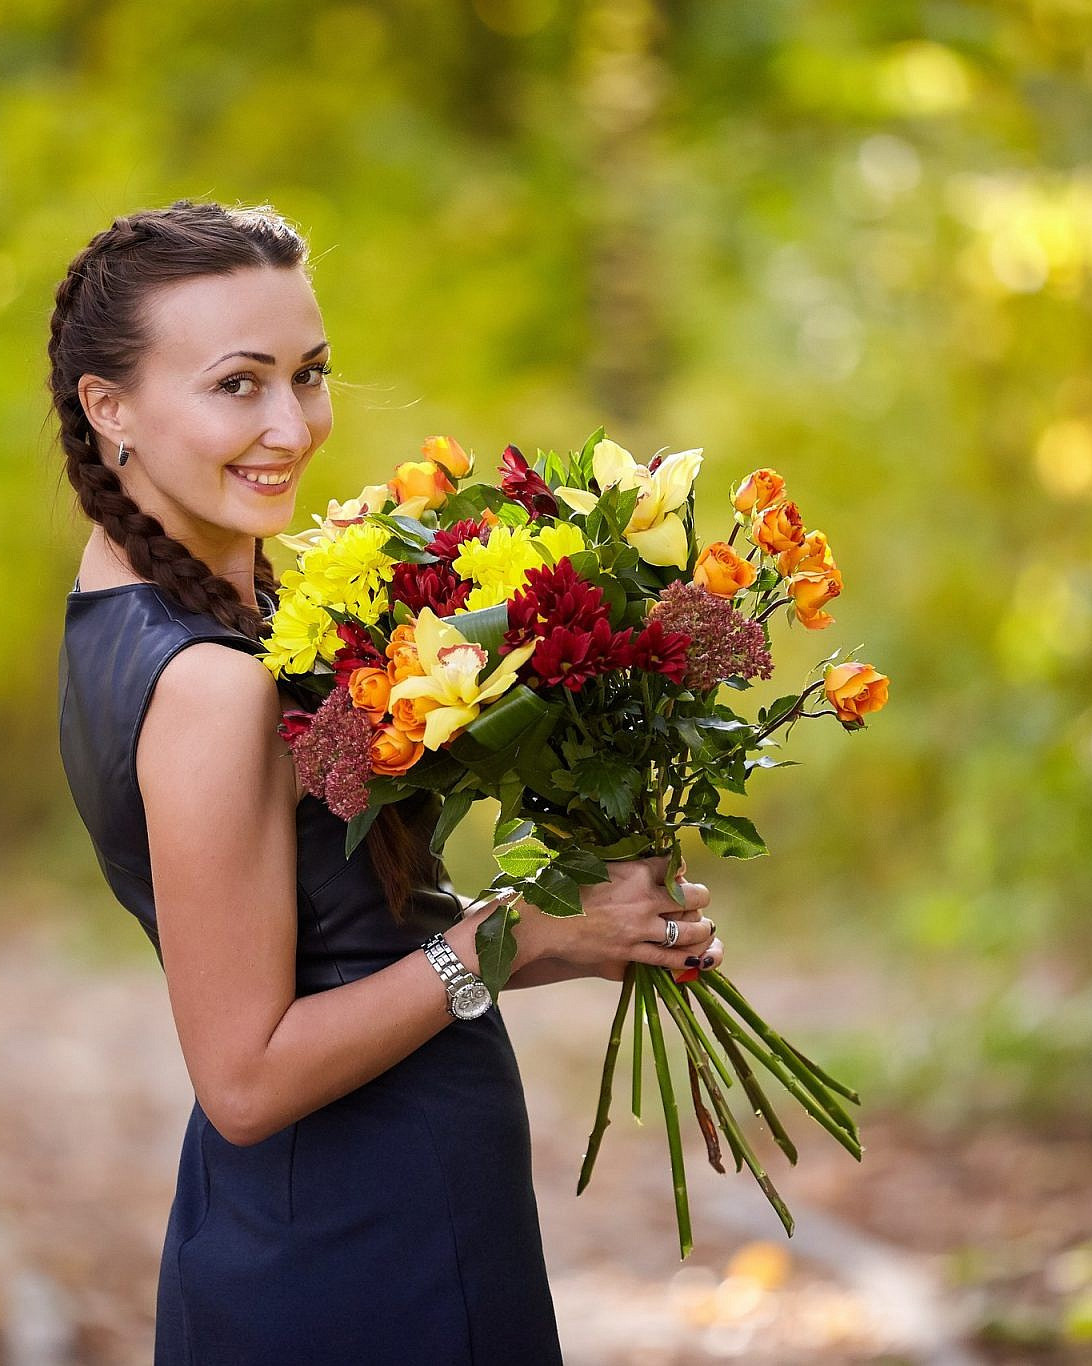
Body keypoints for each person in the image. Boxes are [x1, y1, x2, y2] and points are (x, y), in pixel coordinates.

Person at [52, 198, 725, 1364]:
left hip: (329, 1216)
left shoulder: (154, 601)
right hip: (360, 1245)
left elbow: (338, 945)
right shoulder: (209, 683)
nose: (289, 425)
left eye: (306, 374)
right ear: (109, 408)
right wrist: (508, 933)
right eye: (235, 384)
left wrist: (560, 920)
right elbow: (246, 1079)